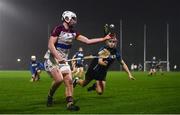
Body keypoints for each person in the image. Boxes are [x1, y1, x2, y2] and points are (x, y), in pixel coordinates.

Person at [44, 11, 112, 111]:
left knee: (69, 80)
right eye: (73, 18)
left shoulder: (73, 32)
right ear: (66, 18)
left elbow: (88, 41)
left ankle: (70, 104)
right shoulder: (58, 29)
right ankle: (50, 96)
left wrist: (103, 38)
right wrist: (58, 57)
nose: (74, 21)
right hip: (52, 59)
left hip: (64, 60)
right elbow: (50, 45)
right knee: (59, 80)